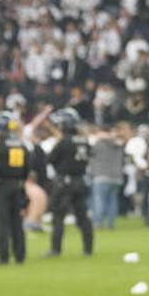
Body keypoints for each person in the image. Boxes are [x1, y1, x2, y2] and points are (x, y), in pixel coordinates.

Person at [45, 107, 93, 257]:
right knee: (83, 217)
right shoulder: (84, 141)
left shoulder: (64, 142)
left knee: (58, 216)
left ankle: (56, 249)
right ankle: (88, 249)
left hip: (64, 182)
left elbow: (51, 159)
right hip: (80, 181)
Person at [0, 110, 29, 265]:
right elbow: (27, 168)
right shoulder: (22, 146)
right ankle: (20, 255)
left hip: (1, 187)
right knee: (17, 222)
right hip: (18, 185)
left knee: (1, 222)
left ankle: (3, 256)